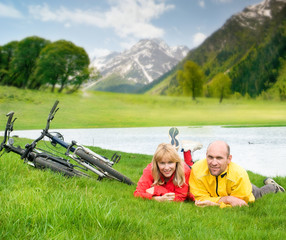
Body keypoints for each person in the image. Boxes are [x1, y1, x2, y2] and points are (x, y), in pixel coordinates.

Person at [189, 140, 285, 208]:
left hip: (244, 189)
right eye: (210, 157)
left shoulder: (239, 174)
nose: (213, 163)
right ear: (206, 155)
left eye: (219, 158)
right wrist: (227, 199)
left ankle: (274, 186)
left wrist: (215, 203)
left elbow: (242, 206)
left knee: (259, 193)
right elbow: (200, 199)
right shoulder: (197, 169)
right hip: (230, 193)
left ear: (229, 159)